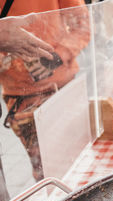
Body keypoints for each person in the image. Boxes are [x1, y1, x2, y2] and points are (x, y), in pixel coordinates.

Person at [0, 0, 90, 180]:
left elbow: (82, 22)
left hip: (65, 86)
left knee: (80, 158)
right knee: (45, 169)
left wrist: (58, 55)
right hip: (22, 96)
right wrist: (9, 58)